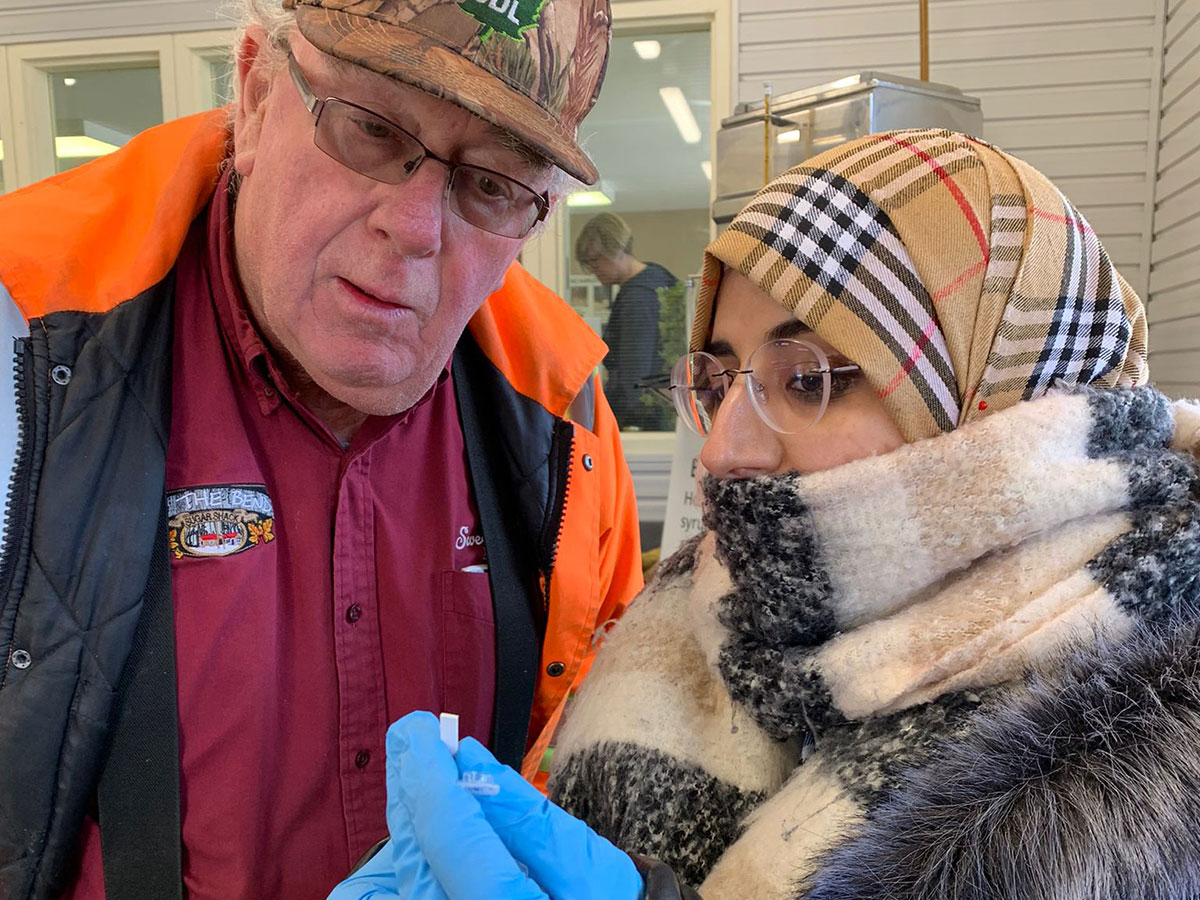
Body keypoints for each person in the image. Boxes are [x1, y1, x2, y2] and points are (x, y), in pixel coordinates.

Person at [328, 129, 1200, 900]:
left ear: (1003, 408)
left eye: (809, 379)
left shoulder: (1133, 769)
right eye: (717, 380)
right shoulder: (690, 607)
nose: (722, 453)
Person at [0, 0, 645, 897]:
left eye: (492, 183)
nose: (416, 227)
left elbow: (594, 763)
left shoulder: (565, 418)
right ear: (259, 91)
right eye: (374, 131)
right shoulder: (21, 348)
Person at [576, 213, 679, 430]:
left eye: (595, 261)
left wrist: (614, 425)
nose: (593, 270)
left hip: (641, 422)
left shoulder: (638, 297)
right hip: (662, 416)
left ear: (616, 249)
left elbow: (635, 376)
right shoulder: (657, 278)